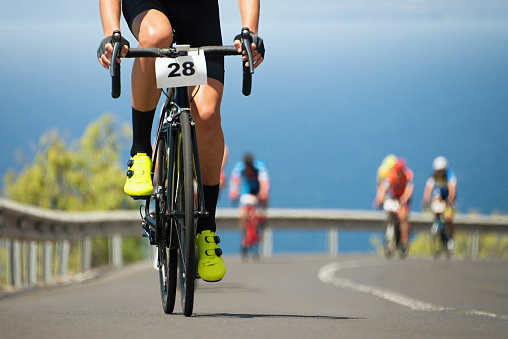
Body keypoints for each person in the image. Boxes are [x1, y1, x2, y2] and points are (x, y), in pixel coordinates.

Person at [97, 0, 265, 283]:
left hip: (199, 14)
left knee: (208, 114)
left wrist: (250, 30)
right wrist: (111, 33)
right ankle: (140, 152)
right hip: (148, 6)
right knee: (157, 35)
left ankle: (206, 226)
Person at [228, 153, 270, 255]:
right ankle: (245, 235)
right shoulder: (239, 167)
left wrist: (263, 194)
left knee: (264, 198)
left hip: (257, 187)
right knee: (242, 214)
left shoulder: (260, 165)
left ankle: (263, 217)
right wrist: (233, 193)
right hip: (246, 189)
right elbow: (234, 181)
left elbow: (264, 182)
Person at [375, 158, 414, 254]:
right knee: (390, 214)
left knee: (402, 216)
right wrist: (380, 199)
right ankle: (390, 237)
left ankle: (404, 240)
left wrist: (404, 199)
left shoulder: (407, 175)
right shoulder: (391, 175)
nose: (398, 173)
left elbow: (409, 189)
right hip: (394, 197)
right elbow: (383, 188)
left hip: (403, 198)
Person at [422, 156, 457, 252]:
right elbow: (429, 188)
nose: (439, 173)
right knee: (435, 202)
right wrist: (426, 200)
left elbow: (452, 190)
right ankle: (437, 221)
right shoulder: (433, 176)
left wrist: (450, 202)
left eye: (441, 170)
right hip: (440, 195)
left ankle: (450, 238)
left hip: (449, 197)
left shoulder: (450, 175)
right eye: (438, 171)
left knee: (448, 218)